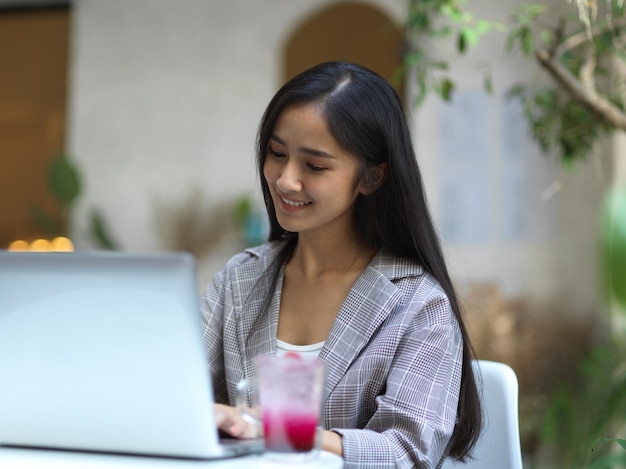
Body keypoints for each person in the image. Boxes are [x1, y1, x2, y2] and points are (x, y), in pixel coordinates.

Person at [202, 61, 482, 468]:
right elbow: (179, 395)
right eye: (277, 154)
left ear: (372, 178)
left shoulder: (419, 305)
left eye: (314, 166)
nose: (285, 180)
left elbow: (406, 453)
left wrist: (276, 431)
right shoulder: (239, 280)